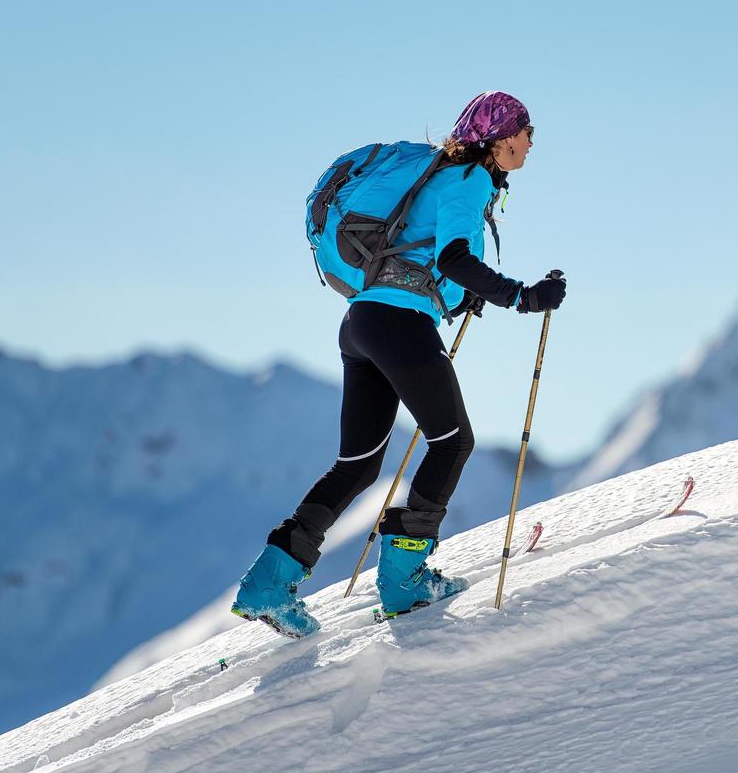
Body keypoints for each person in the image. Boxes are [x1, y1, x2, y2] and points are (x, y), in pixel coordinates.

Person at [231, 91, 567, 636]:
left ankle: (268, 582)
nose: (531, 144)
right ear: (503, 139)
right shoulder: (470, 180)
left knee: (358, 465)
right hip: (398, 327)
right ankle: (403, 580)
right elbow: (454, 258)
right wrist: (522, 296)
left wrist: (465, 297)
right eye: (529, 133)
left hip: (362, 324)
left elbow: (431, 262)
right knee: (453, 441)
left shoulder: (442, 177)